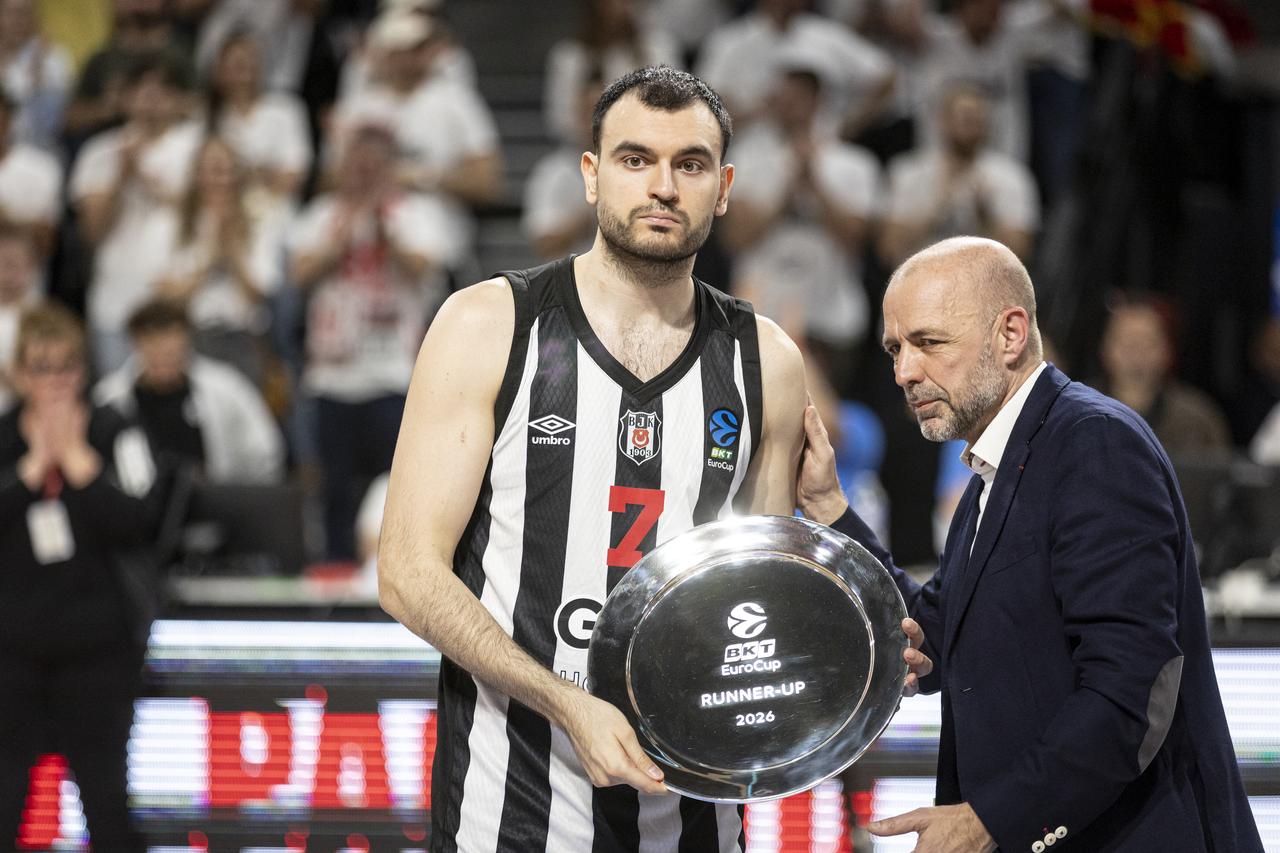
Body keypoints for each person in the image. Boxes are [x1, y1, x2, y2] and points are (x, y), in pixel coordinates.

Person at [377, 66, 807, 850]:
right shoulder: (487, 324)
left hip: (697, 821)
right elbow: (407, 573)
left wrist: (844, 637)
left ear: (725, 185)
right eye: (635, 159)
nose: (664, 186)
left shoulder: (765, 359)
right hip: (506, 816)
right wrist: (565, 700)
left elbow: (760, 600)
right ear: (590, 174)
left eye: (691, 164)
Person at [795, 236, 1262, 852]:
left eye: (929, 342)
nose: (904, 371)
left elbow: (1130, 692)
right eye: (895, 348)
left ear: (1010, 335)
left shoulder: (1094, 446)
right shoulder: (995, 470)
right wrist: (830, 507)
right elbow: (938, 633)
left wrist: (990, 819)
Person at [0, 301, 162, 852]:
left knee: (107, 807)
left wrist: (76, 462)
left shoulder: (115, 429)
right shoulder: (2, 436)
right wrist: (28, 474)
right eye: (41, 367)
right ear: (19, 372)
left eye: (66, 366)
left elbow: (144, 520)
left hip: (98, 658)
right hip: (11, 658)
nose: (54, 381)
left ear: (84, 370)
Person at [288, 118, 461, 561]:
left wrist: (388, 235)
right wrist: (340, 239)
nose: (364, 174)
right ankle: (337, 572)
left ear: (390, 167)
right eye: (357, 165)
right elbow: (298, 275)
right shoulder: (322, 214)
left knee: (399, 485)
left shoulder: (416, 214)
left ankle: (403, 569)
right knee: (335, 489)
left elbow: (427, 268)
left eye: (374, 165)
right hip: (333, 375)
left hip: (395, 376)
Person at [94, 298, 284, 484]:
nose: (164, 361)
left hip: (214, 502)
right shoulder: (109, 398)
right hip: (138, 508)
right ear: (136, 343)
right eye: (155, 352)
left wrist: (239, 498)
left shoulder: (226, 388)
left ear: (187, 341)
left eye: (173, 354)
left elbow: (265, 449)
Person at [879, 79, 1039, 267]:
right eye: (964, 116)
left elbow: (1021, 254)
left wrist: (985, 216)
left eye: (977, 118)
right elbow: (889, 249)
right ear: (942, 120)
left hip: (985, 282)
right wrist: (938, 209)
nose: (971, 124)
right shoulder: (909, 172)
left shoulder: (1011, 176)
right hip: (924, 280)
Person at [1094, 295, 1231, 456]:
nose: (1136, 354)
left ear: (1167, 351)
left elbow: (1219, 476)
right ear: (1105, 349)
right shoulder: (1075, 410)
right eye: (1127, 343)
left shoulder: (1197, 420)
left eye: (1147, 342)